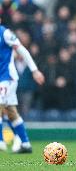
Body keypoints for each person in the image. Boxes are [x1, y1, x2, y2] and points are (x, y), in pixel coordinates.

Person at [0, 18, 45, 153]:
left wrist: (34, 70)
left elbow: (22, 51)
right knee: (10, 112)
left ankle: (1, 141)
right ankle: (25, 143)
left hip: (7, 77)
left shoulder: (5, 33)